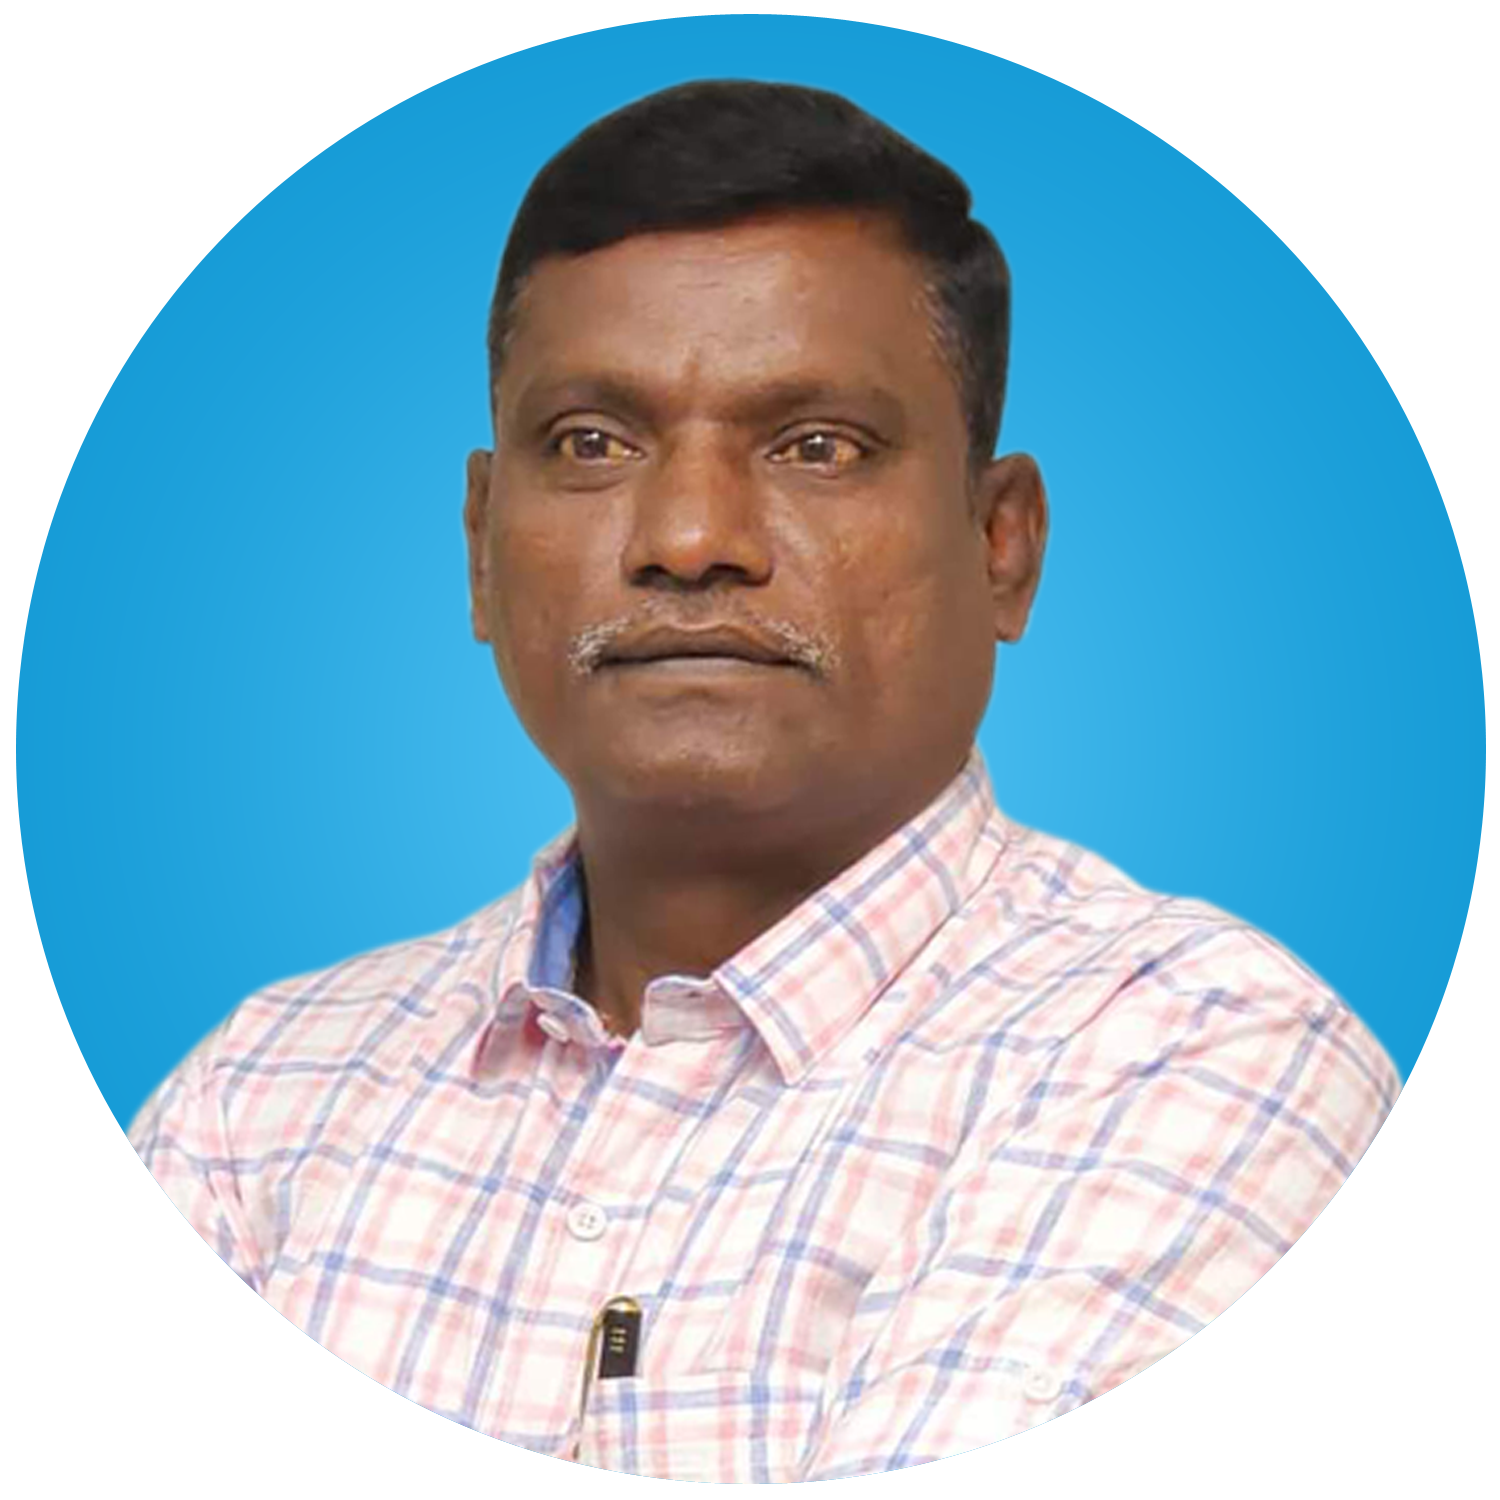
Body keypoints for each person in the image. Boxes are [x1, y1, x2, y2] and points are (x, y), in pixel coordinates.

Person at [129, 80, 1398, 1482]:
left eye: (817, 447)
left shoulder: (1196, 1056)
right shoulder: (259, 1101)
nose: (688, 539)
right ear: (482, 547)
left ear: (1003, 546)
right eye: (593, 443)